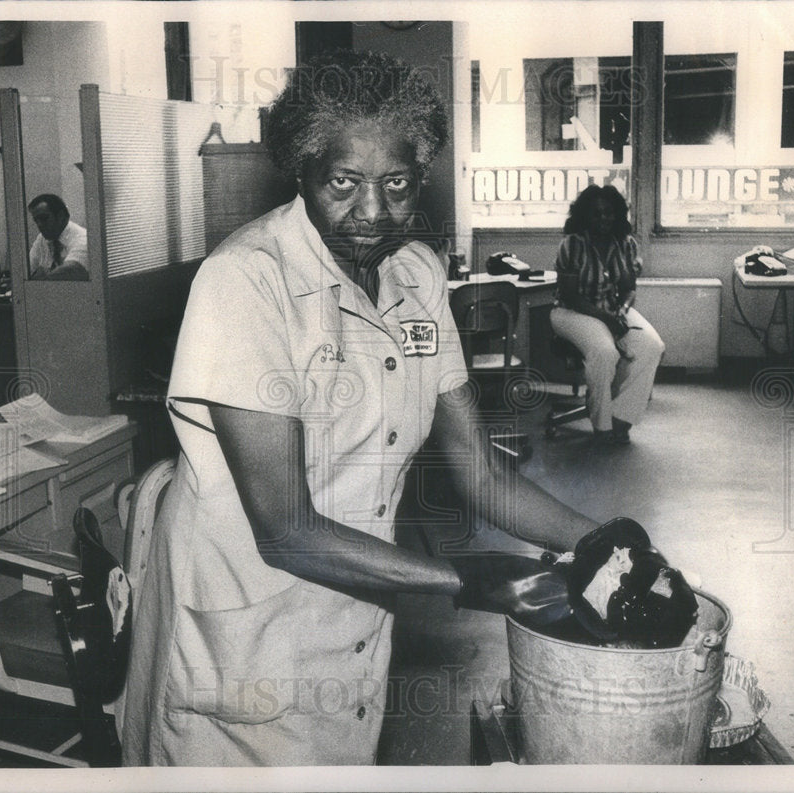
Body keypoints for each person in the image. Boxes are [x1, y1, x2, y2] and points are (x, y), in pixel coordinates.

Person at [122, 50, 639, 767]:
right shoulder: (245, 280)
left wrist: (604, 541)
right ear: (301, 171)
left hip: (353, 616)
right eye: (343, 182)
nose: (372, 212)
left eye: (396, 184)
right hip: (243, 626)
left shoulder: (417, 275)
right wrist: (472, 579)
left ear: (421, 177)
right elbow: (288, 530)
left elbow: (481, 473)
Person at [549, 185, 665, 445]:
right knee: (604, 351)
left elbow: (628, 289)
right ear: (585, 216)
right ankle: (602, 426)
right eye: (596, 214)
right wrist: (609, 319)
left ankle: (622, 417)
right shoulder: (572, 244)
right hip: (571, 312)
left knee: (652, 345)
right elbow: (570, 296)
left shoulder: (625, 244)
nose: (604, 219)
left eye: (609, 213)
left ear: (617, 215)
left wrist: (622, 311)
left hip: (610, 309)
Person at [27, 193, 89, 280]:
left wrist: (40, 278)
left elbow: (70, 271)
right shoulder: (42, 239)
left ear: (60, 216)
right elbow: (26, 271)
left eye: (44, 218)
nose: (39, 224)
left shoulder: (83, 238)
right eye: (36, 220)